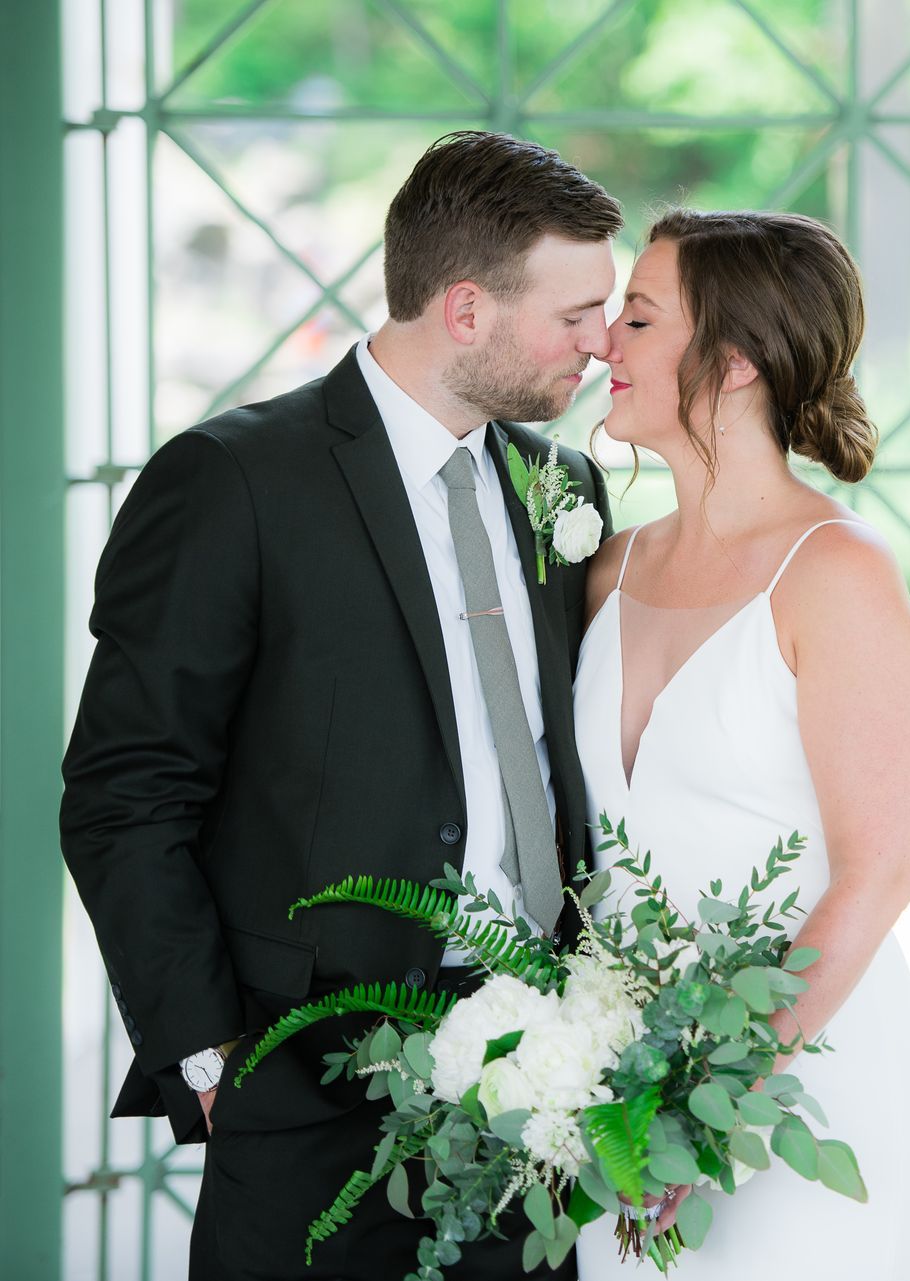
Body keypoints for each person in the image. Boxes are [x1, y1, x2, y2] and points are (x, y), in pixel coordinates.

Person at [60, 130, 621, 1280]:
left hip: (547, 1088)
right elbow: (127, 791)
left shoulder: (567, 487)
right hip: (308, 1080)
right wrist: (213, 1060)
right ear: (464, 309)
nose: (601, 342)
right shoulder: (233, 479)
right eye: (575, 314)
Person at [571, 208, 910, 1276]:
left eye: (636, 320)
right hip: (620, 1100)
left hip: (802, 1085)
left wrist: (704, 1102)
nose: (603, 344)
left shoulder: (837, 578)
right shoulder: (605, 570)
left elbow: (878, 875)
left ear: (731, 363)